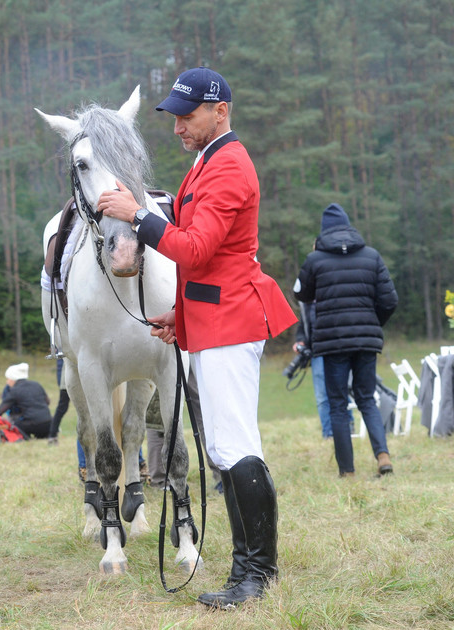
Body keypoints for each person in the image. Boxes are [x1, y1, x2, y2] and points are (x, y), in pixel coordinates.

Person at [97, 67, 297, 609]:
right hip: (212, 320)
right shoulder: (207, 160)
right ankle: (255, 570)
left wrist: (135, 216)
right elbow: (204, 266)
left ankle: (254, 575)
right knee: (229, 447)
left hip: (232, 322)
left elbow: (196, 251)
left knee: (233, 448)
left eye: (188, 116)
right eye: (175, 117)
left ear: (220, 111)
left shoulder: (228, 165)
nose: (179, 126)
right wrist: (180, 322)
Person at [294, 203, 398, 477]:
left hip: (332, 343)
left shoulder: (315, 259)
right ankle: (383, 456)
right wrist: (373, 324)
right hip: (366, 342)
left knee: (338, 404)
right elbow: (390, 300)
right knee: (366, 399)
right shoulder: (372, 256)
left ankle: (348, 472)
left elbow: (301, 295)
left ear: (324, 231)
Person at [292, 302, 354, 439]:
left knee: (342, 389)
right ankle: (329, 434)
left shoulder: (332, 294)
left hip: (337, 349)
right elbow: (304, 325)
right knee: (322, 395)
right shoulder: (305, 302)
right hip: (317, 352)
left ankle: (348, 429)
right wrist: (301, 341)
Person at [0, 363, 52, 439]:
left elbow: (0, 410)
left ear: (13, 379)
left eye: (8, 379)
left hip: (31, 424)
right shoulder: (36, 384)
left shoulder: (15, 391)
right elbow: (48, 402)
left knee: (14, 425)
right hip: (48, 422)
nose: (7, 382)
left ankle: (24, 439)